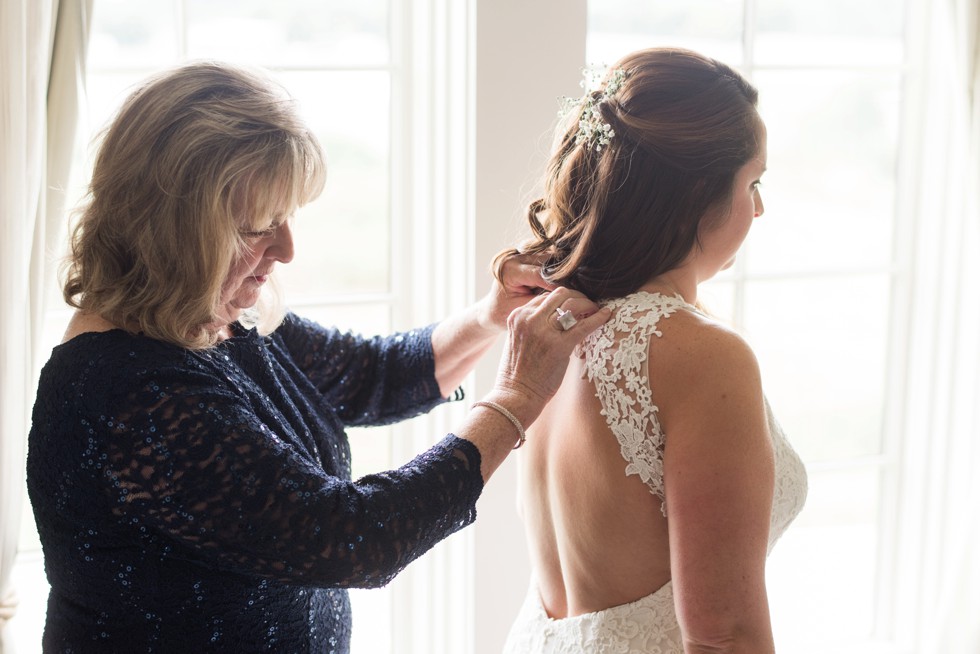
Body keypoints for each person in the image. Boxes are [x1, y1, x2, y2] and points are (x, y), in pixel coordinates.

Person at [25, 60, 611, 653]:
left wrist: (491, 316)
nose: (286, 248)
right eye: (257, 228)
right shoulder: (125, 393)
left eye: (286, 218)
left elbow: (374, 376)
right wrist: (515, 399)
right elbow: (355, 539)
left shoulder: (221, 320)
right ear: (175, 230)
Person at [498, 47, 809, 653]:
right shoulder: (701, 354)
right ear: (698, 193)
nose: (760, 207)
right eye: (754, 182)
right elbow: (724, 635)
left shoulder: (546, 326)